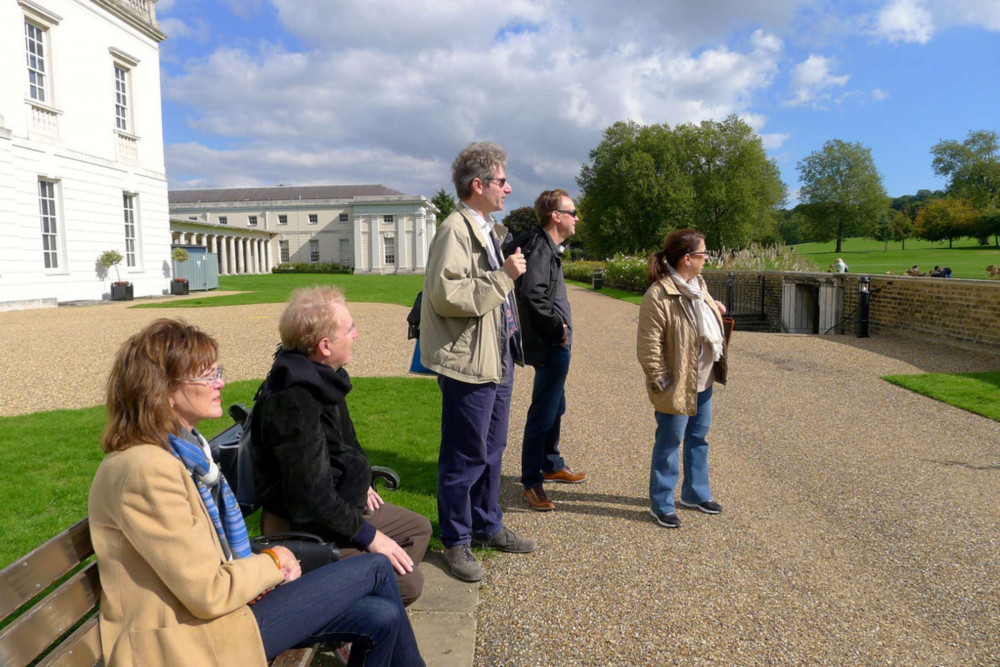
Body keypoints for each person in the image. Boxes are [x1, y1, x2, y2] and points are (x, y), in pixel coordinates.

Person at [89, 318, 423, 667]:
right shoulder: (145, 469)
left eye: (217, 371)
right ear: (163, 391)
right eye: (206, 376)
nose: (220, 382)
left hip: (220, 616)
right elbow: (208, 592)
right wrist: (274, 562)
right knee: (375, 568)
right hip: (189, 639)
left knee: (381, 616)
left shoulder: (181, 453)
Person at [251, 286, 432, 606]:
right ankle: (348, 616)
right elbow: (310, 500)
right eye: (350, 329)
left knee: (417, 529)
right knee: (409, 582)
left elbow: (347, 443)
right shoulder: (295, 400)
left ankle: (359, 601)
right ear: (324, 346)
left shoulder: (322, 376)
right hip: (305, 530)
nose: (356, 334)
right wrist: (370, 538)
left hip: (338, 507)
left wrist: (361, 482)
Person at [420, 141, 536, 582]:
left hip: (498, 355)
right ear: (478, 184)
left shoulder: (490, 229)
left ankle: (488, 526)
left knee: (492, 449)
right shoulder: (454, 228)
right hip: (469, 360)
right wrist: (503, 275)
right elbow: (447, 295)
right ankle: (456, 541)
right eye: (502, 181)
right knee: (464, 454)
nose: (508, 188)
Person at [636, 230, 728, 529]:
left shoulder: (698, 286)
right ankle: (661, 503)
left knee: (698, 439)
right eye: (703, 255)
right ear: (687, 258)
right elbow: (648, 346)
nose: (706, 261)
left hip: (703, 380)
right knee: (669, 442)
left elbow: (701, 321)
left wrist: (715, 310)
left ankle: (694, 494)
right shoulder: (659, 294)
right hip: (677, 382)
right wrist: (661, 381)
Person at [503, 189, 588, 512]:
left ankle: (551, 463)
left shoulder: (547, 247)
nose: (577, 217)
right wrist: (559, 329)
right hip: (551, 342)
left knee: (557, 406)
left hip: (554, 342)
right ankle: (531, 482)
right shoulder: (540, 248)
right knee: (542, 412)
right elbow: (532, 295)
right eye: (573, 211)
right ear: (556, 215)